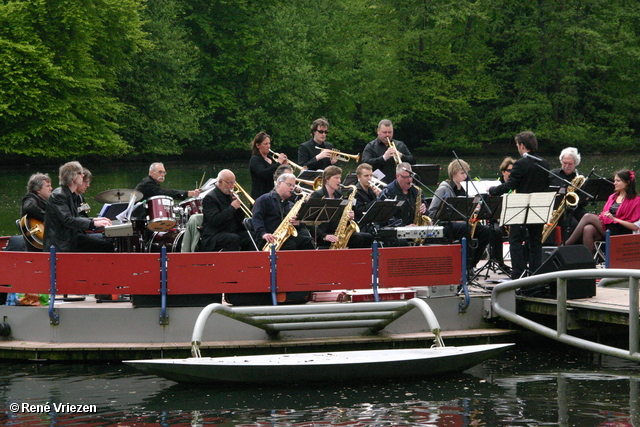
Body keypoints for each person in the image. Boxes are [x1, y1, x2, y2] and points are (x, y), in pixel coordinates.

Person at [489, 131, 550, 279]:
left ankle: (518, 273)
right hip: (538, 205)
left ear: (522, 146)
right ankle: (535, 274)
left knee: (515, 239)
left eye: (517, 145)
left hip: (520, 205)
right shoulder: (544, 163)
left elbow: (510, 185)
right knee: (536, 241)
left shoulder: (521, 164)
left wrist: (492, 190)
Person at [427, 160, 492, 268]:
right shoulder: (443, 189)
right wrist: (453, 219)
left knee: (486, 231)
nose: (465, 176)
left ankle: (472, 263)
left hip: (462, 224)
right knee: (465, 228)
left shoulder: (466, 190)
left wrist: (475, 209)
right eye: (462, 173)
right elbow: (432, 212)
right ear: (453, 174)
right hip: (445, 225)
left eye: (466, 173)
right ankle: (465, 266)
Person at [565, 169, 640, 254]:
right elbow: (604, 215)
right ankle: (589, 262)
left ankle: (567, 245)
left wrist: (615, 219)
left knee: (587, 216)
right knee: (588, 229)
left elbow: (635, 227)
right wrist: (606, 216)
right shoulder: (612, 197)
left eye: (618, 181)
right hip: (608, 228)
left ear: (627, 183)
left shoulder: (636, 200)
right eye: (614, 180)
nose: (614, 183)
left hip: (622, 231)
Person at [43, 161, 113, 252]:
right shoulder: (59, 195)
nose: (83, 175)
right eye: (80, 173)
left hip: (70, 238)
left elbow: (76, 217)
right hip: (62, 243)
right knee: (106, 246)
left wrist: (94, 219)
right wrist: (93, 223)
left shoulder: (71, 195)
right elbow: (67, 219)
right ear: (73, 177)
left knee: (107, 243)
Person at [308, 166, 373, 248]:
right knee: (358, 238)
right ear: (327, 179)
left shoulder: (339, 194)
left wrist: (348, 216)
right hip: (322, 234)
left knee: (368, 237)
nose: (339, 181)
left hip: (337, 231)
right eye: (336, 178)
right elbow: (309, 221)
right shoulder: (317, 195)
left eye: (340, 178)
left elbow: (341, 215)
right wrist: (324, 235)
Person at [251, 173, 315, 250]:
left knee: (308, 241)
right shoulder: (264, 199)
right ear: (279, 183)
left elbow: (300, 226)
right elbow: (257, 219)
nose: (292, 188)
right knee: (291, 245)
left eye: (293, 186)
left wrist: (298, 222)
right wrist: (263, 233)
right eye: (289, 185)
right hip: (269, 239)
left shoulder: (290, 204)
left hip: (285, 238)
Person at [200, 169, 254, 252]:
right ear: (221, 182)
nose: (232, 186)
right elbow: (215, 220)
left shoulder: (229, 195)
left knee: (253, 235)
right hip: (215, 234)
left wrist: (239, 206)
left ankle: (250, 261)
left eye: (234, 183)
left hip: (231, 231)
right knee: (233, 238)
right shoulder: (210, 198)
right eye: (230, 183)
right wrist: (232, 207)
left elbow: (240, 219)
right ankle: (232, 263)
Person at [361, 119, 415, 184]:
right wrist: (383, 158)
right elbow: (364, 164)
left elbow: (413, 161)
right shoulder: (371, 146)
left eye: (390, 132)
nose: (387, 135)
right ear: (378, 131)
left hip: (398, 183)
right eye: (384, 132)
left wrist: (401, 156)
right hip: (379, 182)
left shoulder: (400, 145)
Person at [249, 132, 288, 200]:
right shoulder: (255, 159)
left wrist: (284, 166)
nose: (268, 146)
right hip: (260, 196)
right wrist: (278, 163)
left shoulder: (271, 159)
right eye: (265, 144)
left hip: (272, 195)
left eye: (269, 143)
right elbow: (263, 174)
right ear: (258, 145)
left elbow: (279, 177)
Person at [20, 173, 53, 251]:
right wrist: (48, 217)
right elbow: (29, 207)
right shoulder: (30, 198)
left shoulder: (43, 202)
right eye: (47, 186)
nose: (51, 188)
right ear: (38, 189)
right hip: (36, 240)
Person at [135, 162, 200, 201]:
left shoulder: (154, 183)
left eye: (164, 172)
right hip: (137, 216)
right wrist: (188, 193)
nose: (163, 175)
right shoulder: (147, 183)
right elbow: (166, 193)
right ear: (151, 172)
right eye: (160, 172)